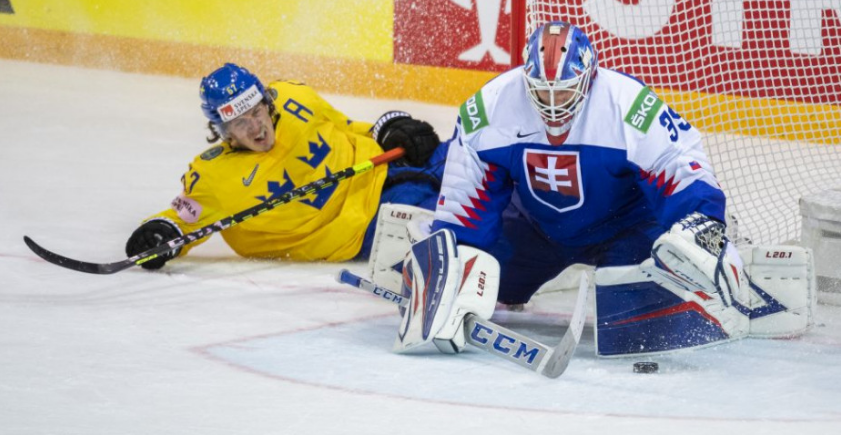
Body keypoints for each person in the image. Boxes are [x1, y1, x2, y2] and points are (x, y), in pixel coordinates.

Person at [385, 21, 813, 357]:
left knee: (636, 326)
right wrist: (453, 258)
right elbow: (467, 195)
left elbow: (676, 164)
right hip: (536, 227)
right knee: (487, 287)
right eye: (542, 92)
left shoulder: (627, 104)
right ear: (524, 79)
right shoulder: (490, 105)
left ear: (589, 78)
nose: (554, 104)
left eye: (566, 90)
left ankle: (726, 261)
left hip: (626, 228)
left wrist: (700, 222)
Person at [125, 63, 447, 269]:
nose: (256, 128)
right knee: (456, 221)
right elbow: (182, 221)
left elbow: (347, 126)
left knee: (476, 159)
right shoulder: (214, 178)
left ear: (267, 102)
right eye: (240, 123)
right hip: (366, 224)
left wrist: (388, 129)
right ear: (222, 131)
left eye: (257, 112)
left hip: (388, 168)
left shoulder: (296, 99)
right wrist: (160, 232)